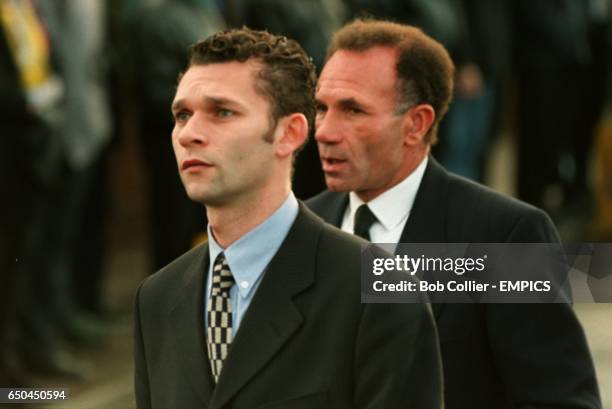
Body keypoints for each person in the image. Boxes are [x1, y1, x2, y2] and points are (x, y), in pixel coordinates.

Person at [133, 27, 442, 409]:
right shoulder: (157, 298)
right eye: (182, 115)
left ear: (290, 133)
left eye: (222, 112)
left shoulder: (378, 295)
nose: (189, 134)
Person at [307, 19, 601, 409]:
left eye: (352, 110)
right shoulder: (302, 226)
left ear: (416, 124)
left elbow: (561, 399)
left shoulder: (503, 234)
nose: (324, 131)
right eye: (321, 108)